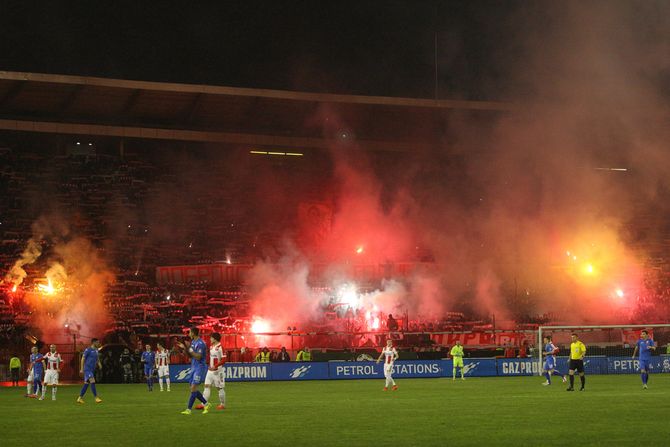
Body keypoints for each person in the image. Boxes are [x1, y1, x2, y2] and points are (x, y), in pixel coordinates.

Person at [176, 327, 210, 415]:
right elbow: (190, 356)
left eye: (190, 332)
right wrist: (184, 348)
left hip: (200, 367)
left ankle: (188, 409)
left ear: (193, 333)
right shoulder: (193, 342)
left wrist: (189, 349)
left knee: (193, 388)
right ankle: (206, 403)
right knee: (192, 388)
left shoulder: (201, 343)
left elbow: (198, 356)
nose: (189, 334)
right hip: (194, 367)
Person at [198, 332, 226, 410]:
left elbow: (224, 360)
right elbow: (210, 358)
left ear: (215, 339)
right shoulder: (211, 347)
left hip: (218, 371)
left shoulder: (220, 347)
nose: (210, 339)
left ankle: (222, 404)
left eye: (211, 338)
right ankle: (204, 404)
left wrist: (215, 366)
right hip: (210, 370)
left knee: (219, 388)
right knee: (206, 386)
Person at [77, 338, 103, 404]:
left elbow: (97, 358)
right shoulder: (88, 350)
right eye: (97, 342)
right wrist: (81, 369)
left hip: (92, 370)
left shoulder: (96, 350)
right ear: (93, 343)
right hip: (87, 369)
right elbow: (83, 359)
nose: (98, 344)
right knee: (92, 381)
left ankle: (80, 398)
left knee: (86, 384)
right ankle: (96, 397)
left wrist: (99, 364)